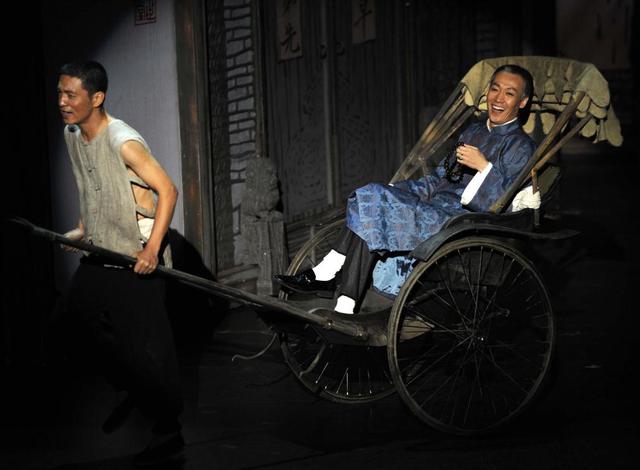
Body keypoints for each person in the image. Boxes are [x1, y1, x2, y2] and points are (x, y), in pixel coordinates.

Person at [275, 64, 536, 314]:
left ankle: (331, 279)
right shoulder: (473, 132)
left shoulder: (521, 147)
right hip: (433, 208)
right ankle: (342, 297)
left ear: (522, 102)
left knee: (375, 202)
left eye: (509, 93)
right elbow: (438, 179)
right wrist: (398, 191)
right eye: (495, 89)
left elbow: (502, 205)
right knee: (372, 195)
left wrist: (484, 167)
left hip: (460, 222)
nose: (498, 98)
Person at [55, 60, 183, 466]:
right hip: (102, 251)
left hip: (136, 256)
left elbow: (168, 190)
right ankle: (131, 387)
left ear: (97, 98)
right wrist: (83, 229)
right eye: (59, 93)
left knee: (150, 351)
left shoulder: (122, 141)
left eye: (71, 94)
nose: (62, 102)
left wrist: (152, 251)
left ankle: (168, 432)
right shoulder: (73, 134)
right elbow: (91, 184)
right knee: (74, 323)